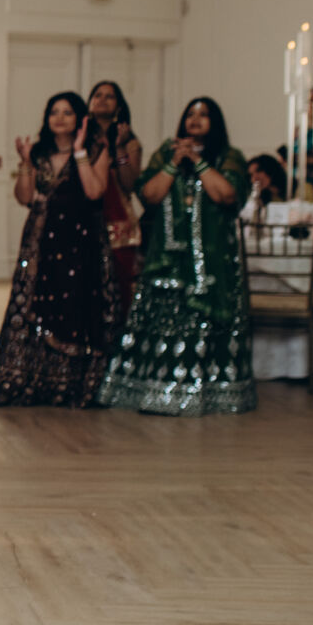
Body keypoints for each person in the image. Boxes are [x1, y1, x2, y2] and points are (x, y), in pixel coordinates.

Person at [98, 97, 255, 417]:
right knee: (165, 324)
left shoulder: (229, 157)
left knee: (206, 325)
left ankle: (211, 393)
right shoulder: (164, 154)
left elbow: (226, 195)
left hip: (212, 261)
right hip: (168, 259)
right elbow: (150, 195)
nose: (195, 120)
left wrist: (197, 161)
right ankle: (156, 390)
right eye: (190, 114)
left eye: (204, 114)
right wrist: (174, 162)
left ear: (216, 122)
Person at [0, 92, 123, 408]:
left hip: (81, 242)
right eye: (54, 112)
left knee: (76, 306)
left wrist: (80, 152)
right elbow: (24, 197)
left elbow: (94, 191)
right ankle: (37, 379)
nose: (59, 118)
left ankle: (71, 383)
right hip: (42, 240)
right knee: (37, 307)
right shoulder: (39, 153)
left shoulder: (96, 150)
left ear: (80, 118)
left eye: (67, 112)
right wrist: (26, 163)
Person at [88, 80, 143, 305]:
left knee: (120, 279)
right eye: (97, 95)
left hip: (117, 217)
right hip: (86, 214)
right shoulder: (80, 138)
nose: (102, 100)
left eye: (109, 96)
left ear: (118, 107)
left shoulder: (130, 143)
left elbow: (129, 184)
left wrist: (119, 148)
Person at [243, 153, 288, 219]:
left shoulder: (294, 190)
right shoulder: (259, 200)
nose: (255, 178)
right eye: (251, 175)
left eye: (259, 171)